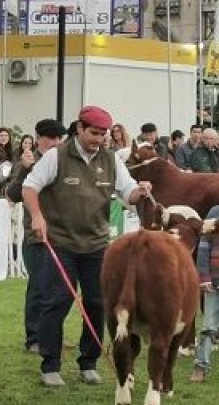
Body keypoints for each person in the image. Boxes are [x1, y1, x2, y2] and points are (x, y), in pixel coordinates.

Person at [22, 105, 151, 387]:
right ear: (79, 128)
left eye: (103, 134)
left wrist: (140, 192)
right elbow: (30, 186)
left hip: (96, 244)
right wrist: (37, 216)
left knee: (97, 302)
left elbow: (127, 192)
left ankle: (88, 362)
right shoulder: (56, 156)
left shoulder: (112, 159)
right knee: (56, 302)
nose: (98, 139)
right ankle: (50, 365)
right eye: (93, 133)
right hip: (59, 242)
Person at [5, 119, 67, 355]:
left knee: (60, 289)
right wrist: (23, 168)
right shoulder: (29, 162)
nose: (55, 143)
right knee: (40, 288)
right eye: (51, 138)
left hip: (62, 233)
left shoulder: (64, 161)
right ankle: (33, 338)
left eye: (59, 138)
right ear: (39, 138)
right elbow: (12, 194)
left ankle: (51, 334)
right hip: (36, 234)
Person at [193, 204, 219, 383]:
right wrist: (204, 276)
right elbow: (203, 245)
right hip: (214, 281)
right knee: (208, 326)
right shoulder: (215, 212)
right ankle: (200, 367)